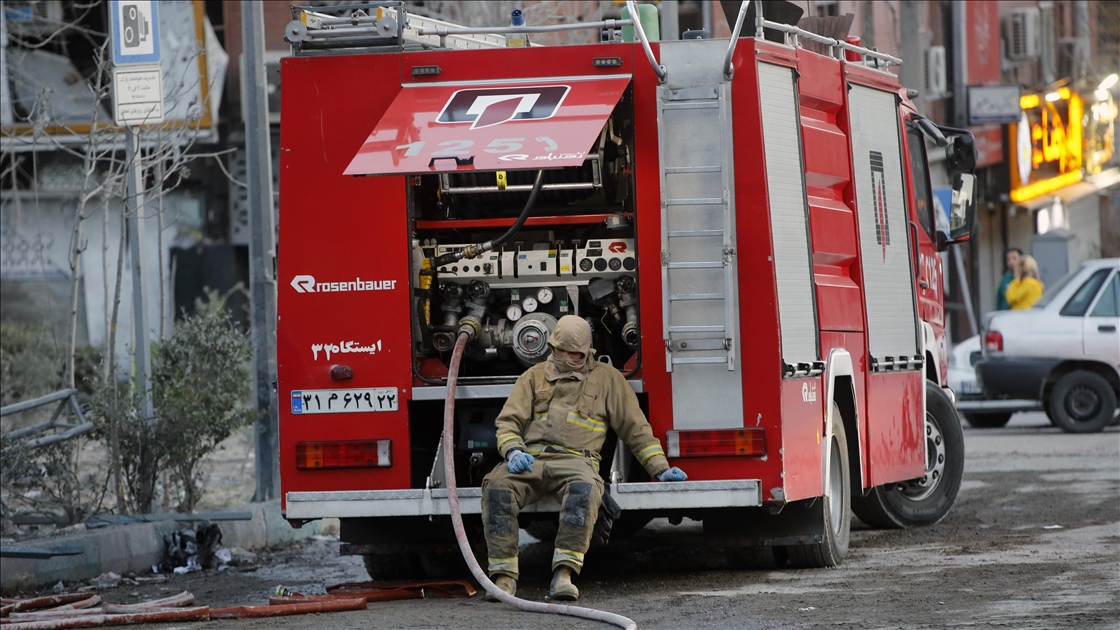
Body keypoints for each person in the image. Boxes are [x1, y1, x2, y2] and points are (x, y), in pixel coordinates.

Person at [480, 315, 687, 602]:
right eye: (558, 351)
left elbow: (635, 428)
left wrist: (660, 468)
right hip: (531, 460)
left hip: (578, 463)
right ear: (551, 347)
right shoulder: (532, 377)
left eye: (572, 353)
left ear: (586, 351)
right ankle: (503, 579)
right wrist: (513, 450)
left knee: (585, 492)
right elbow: (508, 422)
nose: (564, 358)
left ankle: (564, 575)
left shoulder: (607, 379)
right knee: (497, 487)